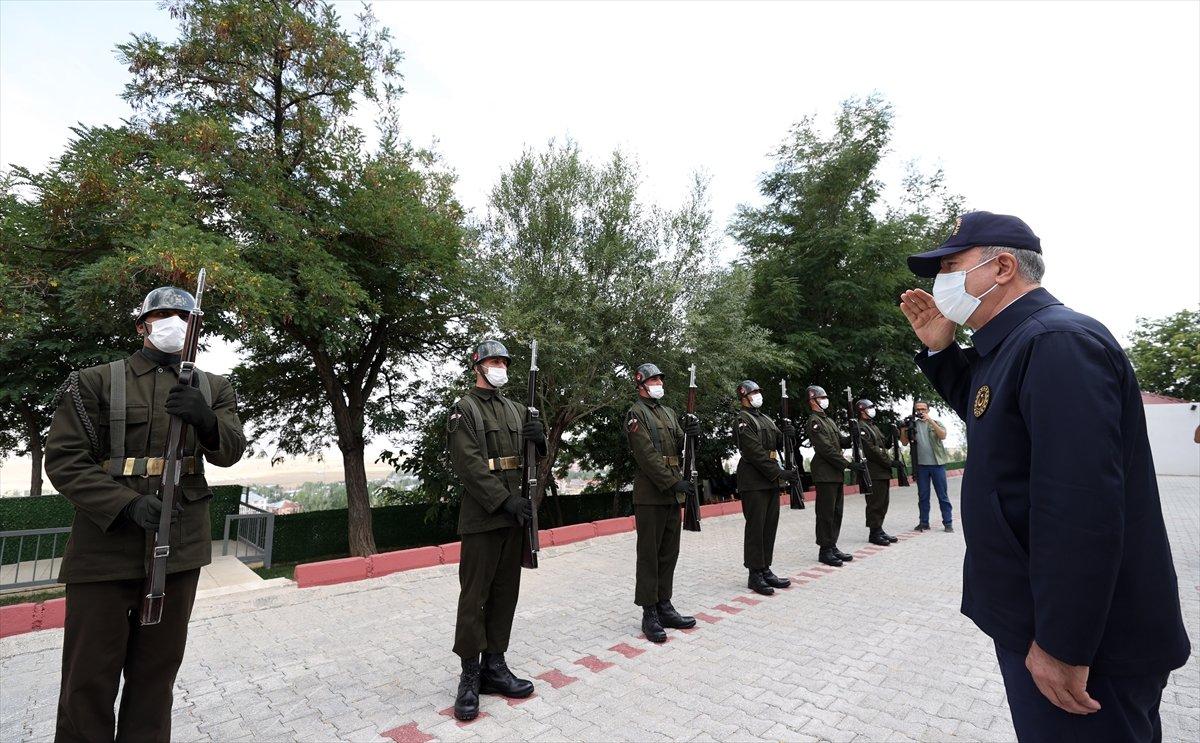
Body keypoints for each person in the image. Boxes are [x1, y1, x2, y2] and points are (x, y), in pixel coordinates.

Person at [900, 210, 1189, 742]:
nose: (940, 282)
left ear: (1002, 267)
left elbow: (1079, 505)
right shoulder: (1013, 344)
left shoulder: (1056, 342)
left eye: (951, 267)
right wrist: (941, 350)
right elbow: (991, 416)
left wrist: (1063, 645)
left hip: (1084, 647)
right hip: (1037, 620)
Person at [44, 285, 246, 743]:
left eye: (185, 317)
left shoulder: (214, 387)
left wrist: (206, 420)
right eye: (164, 314)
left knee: (156, 679)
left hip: (178, 547)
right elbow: (65, 461)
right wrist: (127, 504)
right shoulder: (94, 381)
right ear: (142, 325)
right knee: (87, 681)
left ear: (196, 329)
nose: (175, 323)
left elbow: (230, 452)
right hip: (104, 549)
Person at [446, 339, 547, 721]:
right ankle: (470, 675)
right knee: (475, 597)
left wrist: (540, 439)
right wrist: (504, 500)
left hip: (514, 516)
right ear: (477, 366)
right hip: (483, 516)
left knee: (505, 593)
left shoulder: (518, 409)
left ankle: (495, 666)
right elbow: (468, 465)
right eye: (492, 361)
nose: (499, 367)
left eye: (503, 362)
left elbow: (531, 459)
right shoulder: (464, 409)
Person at [625, 362, 701, 643]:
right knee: (650, 555)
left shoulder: (668, 412)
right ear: (641, 384)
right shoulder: (636, 414)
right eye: (654, 380)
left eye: (660, 380)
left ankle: (664, 605)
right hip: (651, 494)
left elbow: (683, 445)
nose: (659, 384)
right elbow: (646, 455)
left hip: (671, 493)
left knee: (669, 552)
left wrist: (693, 434)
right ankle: (649, 612)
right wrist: (673, 482)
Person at [734, 380, 798, 595]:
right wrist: (779, 472)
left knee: (769, 526)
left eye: (758, 392)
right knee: (756, 527)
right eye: (754, 392)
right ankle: (754, 574)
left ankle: (765, 568)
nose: (758, 395)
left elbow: (778, 442)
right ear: (744, 396)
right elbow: (754, 452)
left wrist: (788, 434)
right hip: (753, 479)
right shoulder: (743, 420)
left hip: (769, 479)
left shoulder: (766, 419)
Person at [805, 385, 862, 567]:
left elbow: (839, 442)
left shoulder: (828, 420)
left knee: (837, 512)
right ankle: (824, 550)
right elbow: (826, 449)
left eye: (825, 397)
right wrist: (848, 464)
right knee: (826, 513)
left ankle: (832, 545)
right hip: (825, 473)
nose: (825, 400)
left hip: (835, 473)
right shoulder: (814, 422)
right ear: (812, 401)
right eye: (821, 397)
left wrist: (851, 437)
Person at [899, 400, 954, 532]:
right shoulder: (912, 425)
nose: (921, 411)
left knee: (942, 496)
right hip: (921, 466)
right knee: (923, 496)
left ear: (928, 410)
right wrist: (903, 429)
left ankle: (948, 523)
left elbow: (943, 435)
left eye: (923, 409)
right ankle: (924, 523)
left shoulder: (936, 423)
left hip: (937, 465)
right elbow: (904, 442)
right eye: (918, 409)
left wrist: (930, 421)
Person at [855, 399, 899, 546]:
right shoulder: (861, 427)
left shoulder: (872, 426)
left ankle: (879, 529)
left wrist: (892, 435)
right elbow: (871, 451)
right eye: (870, 407)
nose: (873, 410)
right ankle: (874, 533)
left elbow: (884, 445)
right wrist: (890, 462)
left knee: (883, 502)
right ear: (862, 411)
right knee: (875, 503)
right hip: (873, 471)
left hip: (882, 471)